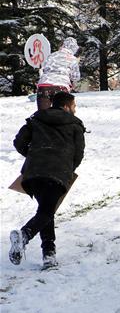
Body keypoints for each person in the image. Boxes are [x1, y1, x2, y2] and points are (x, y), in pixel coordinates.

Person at [9, 91, 86, 269]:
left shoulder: (36, 119)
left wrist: (34, 156)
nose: (75, 109)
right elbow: (79, 154)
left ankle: (49, 255)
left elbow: (19, 141)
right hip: (57, 173)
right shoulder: (75, 125)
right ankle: (24, 235)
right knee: (46, 211)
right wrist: (67, 167)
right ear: (66, 106)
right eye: (73, 106)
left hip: (33, 173)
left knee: (45, 211)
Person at [35, 37, 81, 111]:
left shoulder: (51, 55)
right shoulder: (73, 59)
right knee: (62, 115)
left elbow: (44, 69)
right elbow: (76, 77)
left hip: (44, 85)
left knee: (42, 115)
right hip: (61, 87)